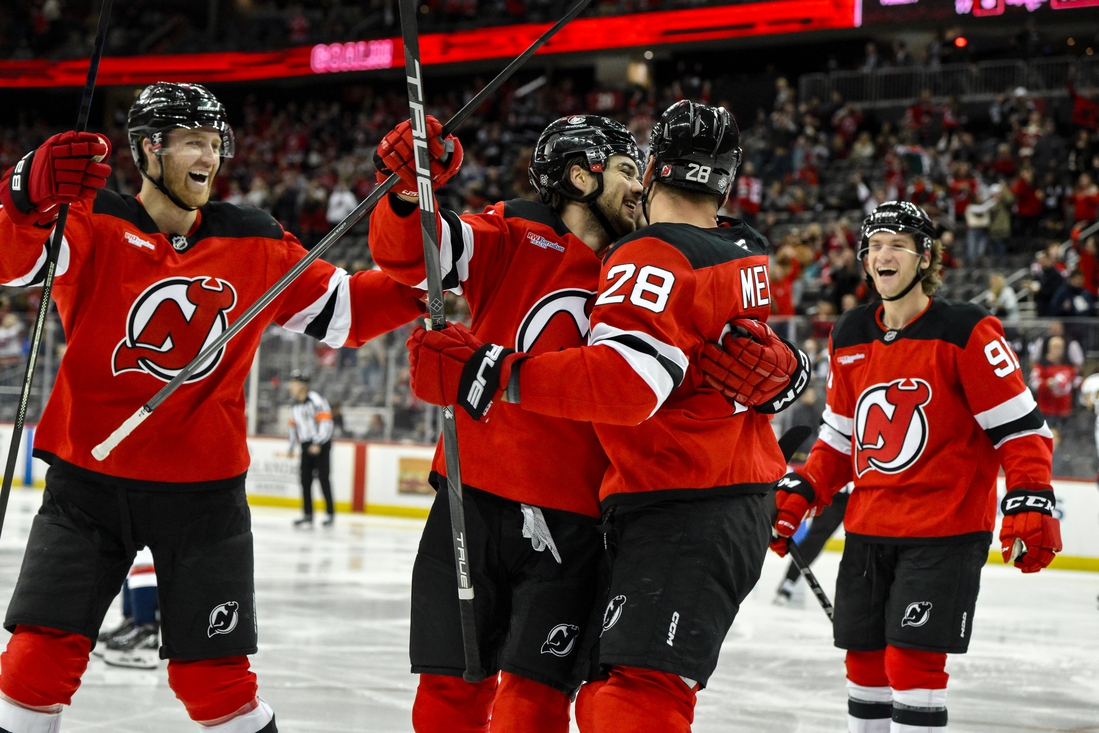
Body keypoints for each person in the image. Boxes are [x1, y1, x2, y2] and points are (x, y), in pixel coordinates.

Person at [0, 82, 424, 733]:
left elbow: (348, 311)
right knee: (33, 666)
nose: (211, 155)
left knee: (215, 685)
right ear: (149, 149)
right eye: (194, 140)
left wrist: (429, 274)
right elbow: (9, 263)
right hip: (88, 483)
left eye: (215, 141)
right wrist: (23, 196)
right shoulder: (89, 219)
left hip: (203, 495)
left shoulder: (254, 237)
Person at [406, 100, 811, 732]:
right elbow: (410, 254)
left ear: (652, 173)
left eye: (635, 166)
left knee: (629, 701)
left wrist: (486, 373)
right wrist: (407, 193)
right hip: (679, 499)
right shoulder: (739, 246)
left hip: (682, 501)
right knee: (601, 694)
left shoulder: (652, 253)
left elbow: (625, 385)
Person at [769, 201, 1061, 733]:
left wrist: (1031, 494)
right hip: (868, 524)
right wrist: (806, 486)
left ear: (925, 258)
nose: (884, 254)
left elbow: (1021, 430)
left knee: (912, 665)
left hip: (944, 528)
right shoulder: (851, 332)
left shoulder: (967, 331)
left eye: (898, 244)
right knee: (864, 664)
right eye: (874, 245)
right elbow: (839, 435)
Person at [287, 370, 335, 528]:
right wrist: (291, 446)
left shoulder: (316, 400)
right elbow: (293, 427)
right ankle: (308, 514)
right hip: (306, 444)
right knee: (305, 480)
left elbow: (326, 423)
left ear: (304, 385)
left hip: (321, 444)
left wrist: (318, 443)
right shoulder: (294, 405)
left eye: (295, 382)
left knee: (323, 478)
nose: (292, 386)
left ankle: (330, 513)